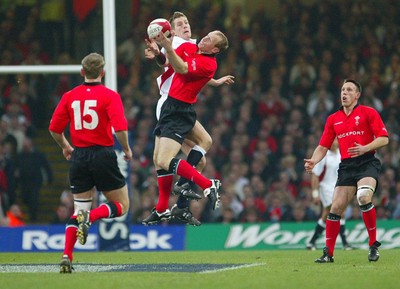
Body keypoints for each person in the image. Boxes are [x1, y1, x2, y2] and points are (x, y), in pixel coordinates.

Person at [144, 12, 234, 226]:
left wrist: (167, 45)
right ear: (172, 28)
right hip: (170, 104)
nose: (204, 38)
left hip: (179, 108)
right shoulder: (184, 45)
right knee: (167, 160)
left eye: (186, 22)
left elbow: (185, 68)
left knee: (169, 159)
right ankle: (175, 202)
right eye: (180, 23)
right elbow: (167, 62)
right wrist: (160, 51)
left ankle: (186, 196)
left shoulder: (197, 54)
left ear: (214, 49)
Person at [49, 53, 132, 273]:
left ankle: (67, 254)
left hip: (79, 157)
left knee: (78, 210)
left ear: (82, 72)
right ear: (102, 73)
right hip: (103, 155)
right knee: (122, 205)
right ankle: (91, 217)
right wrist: (126, 149)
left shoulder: (69, 96)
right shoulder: (109, 96)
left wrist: (66, 146)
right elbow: (121, 129)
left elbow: (54, 128)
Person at [304, 79, 389, 263]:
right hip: (347, 166)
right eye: (343, 89)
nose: (344, 93)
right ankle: (329, 253)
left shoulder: (368, 112)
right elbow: (323, 146)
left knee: (364, 197)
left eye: (349, 90)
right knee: (335, 208)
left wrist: (365, 148)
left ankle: (373, 244)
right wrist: (313, 160)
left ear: (357, 95)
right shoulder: (333, 119)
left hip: (367, 162)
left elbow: (384, 139)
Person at [306, 138, 352, 251]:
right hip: (325, 187)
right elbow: (315, 175)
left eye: (335, 140)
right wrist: (315, 193)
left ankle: (312, 242)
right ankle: (345, 243)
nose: (333, 143)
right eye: (331, 141)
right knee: (336, 212)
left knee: (329, 214)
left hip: (339, 186)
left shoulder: (341, 154)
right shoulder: (324, 156)